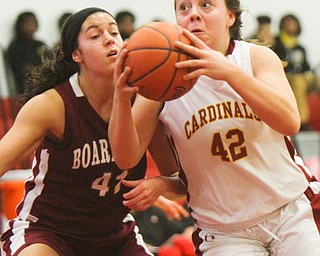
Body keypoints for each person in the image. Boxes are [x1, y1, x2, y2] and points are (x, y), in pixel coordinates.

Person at [109, 0, 320, 255]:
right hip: (223, 231)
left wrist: (229, 73)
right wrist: (121, 99)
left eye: (206, 5)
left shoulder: (254, 57)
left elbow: (289, 122)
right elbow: (125, 157)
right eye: (184, 8)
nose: (194, 15)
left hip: (286, 211)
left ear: (230, 16)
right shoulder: (161, 78)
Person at [0, 7, 158, 256]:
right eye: (95, 36)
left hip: (113, 235)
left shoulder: (145, 97)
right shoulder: (52, 105)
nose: (109, 38)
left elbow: (177, 174)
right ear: (77, 54)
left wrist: (162, 186)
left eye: (114, 32)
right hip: (50, 233)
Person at [273, 14, 312, 131]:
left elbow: (306, 67)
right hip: (285, 76)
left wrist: (308, 75)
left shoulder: (300, 47)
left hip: (301, 76)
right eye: (288, 23)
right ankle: (301, 121)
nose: (290, 25)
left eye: (293, 23)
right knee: (298, 81)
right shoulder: (277, 43)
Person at [7, 11, 50, 96]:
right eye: (27, 23)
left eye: (33, 22)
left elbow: (50, 63)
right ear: (19, 25)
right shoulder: (15, 46)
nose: (31, 26)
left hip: (46, 87)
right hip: (25, 90)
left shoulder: (40, 44)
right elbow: (21, 69)